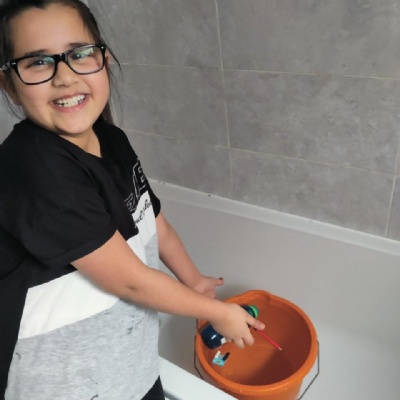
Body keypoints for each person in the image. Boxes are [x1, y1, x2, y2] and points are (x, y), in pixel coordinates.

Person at [0, 1, 265, 399]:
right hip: (65, 384)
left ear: (104, 60)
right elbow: (128, 280)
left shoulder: (112, 141)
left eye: (79, 54)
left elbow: (154, 224)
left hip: (128, 367)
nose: (65, 77)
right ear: (9, 84)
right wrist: (217, 312)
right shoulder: (33, 167)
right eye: (38, 62)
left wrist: (195, 282)